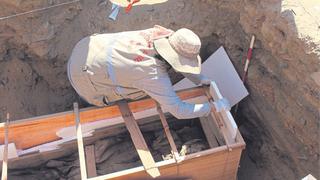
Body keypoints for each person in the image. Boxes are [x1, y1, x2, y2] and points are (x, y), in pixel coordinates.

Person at [67, 25, 230, 119]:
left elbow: (176, 59)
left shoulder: (160, 33)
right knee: (142, 91)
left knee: (136, 80)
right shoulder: (151, 74)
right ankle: (97, 99)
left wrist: (199, 78)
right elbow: (179, 111)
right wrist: (214, 107)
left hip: (85, 48)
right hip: (81, 78)